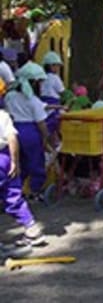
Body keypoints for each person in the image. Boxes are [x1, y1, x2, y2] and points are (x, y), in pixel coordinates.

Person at [0, 109, 45, 247]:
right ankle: (32, 229)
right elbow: (12, 138)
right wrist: (14, 161)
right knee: (12, 195)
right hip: (5, 158)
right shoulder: (3, 115)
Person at [6, 62, 50, 200]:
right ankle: (34, 191)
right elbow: (41, 123)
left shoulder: (10, 96)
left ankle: (14, 192)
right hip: (30, 133)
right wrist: (46, 137)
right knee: (36, 163)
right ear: (34, 82)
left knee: (18, 164)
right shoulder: (33, 100)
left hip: (12, 131)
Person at [39, 51, 65, 147]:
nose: (58, 68)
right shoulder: (55, 78)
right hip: (54, 105)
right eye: (57, 66)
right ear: (51, 66)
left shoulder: (41, 77)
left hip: (43, 105)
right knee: (56, 126)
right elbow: (62, 91)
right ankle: (56, 147)